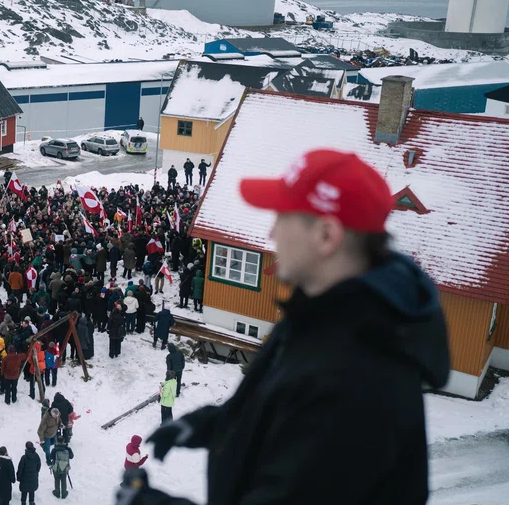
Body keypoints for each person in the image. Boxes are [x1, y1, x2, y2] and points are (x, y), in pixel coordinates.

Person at [143, 149, 451, 505]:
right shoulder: (323, 313)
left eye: (283, 217)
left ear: (325, 235)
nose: (272, 232)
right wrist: (210, 424)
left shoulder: (359, 378)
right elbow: (279, 410)